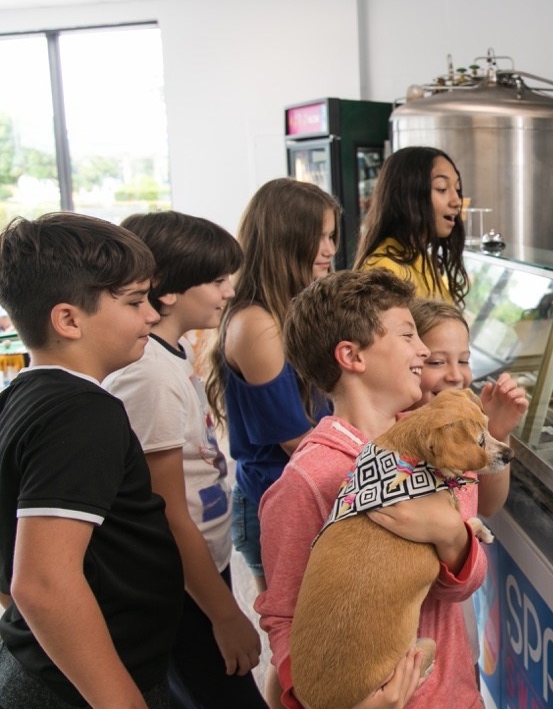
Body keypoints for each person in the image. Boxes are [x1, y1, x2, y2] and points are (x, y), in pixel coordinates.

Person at [257, 270, 488, 709]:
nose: (423, 349)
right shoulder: (308, 480)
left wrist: (450, 535)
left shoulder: (436, 448)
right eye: (407, 335)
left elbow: (461, 588)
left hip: (457, 694)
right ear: (351, 356)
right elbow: (285, 616)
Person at [0, 213, 183, 708]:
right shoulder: (82, 412)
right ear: (68, 320)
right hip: (81, 686)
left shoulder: (22, 397)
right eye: (134, 301)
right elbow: (42, 583)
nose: (151, 315)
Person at [103, 212, 266, 709]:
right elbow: (168, 511)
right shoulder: (149, 375)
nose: (229, 292)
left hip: (202, 570)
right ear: (169, 289)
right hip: (181, 585)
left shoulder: (169, 356)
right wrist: (225, 615)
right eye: (216, 280)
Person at [205, 177, 340, 597]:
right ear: (285, 240)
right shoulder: (257, 324)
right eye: (319, 237)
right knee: (294, 632)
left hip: (301, 494)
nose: (330, 250)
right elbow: (295, 439)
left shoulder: (289, 311)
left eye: (332, 236)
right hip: (274, 501)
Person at [409, 298, 528, 518]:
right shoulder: (393, 433)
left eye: (464, 361)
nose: (456, 376)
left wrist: (495, 432)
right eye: (436, 362)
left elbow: (487, 506)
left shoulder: (460, 428)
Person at [355, 146, 468, 305]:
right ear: (408, 197)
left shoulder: (421, 256)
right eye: (441, 189)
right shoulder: (384, 269)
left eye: (457, 189)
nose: (456, 201)